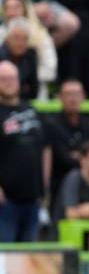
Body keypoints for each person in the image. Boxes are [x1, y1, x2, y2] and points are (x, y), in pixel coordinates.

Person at [0, 61, 50, 242]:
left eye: (12, 78)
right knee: (4, 259)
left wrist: (44, 189)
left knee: (29, 260)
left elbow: (45, 149)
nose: (9, 82)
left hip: (32, 199)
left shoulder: (31, 110)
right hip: (6, 201)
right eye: (3, 78)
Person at [46, 78, 89, 206]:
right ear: (60, 97)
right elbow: (63, 158)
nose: (73, 99)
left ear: (83, 96)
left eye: (76, 94)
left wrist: (78, 156)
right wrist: (87, 158)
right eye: (68, 94)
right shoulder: (51, 124)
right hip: (59, 186)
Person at [0, 0, 57, 98]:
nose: (12, 12)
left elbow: (50, 68)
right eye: (8, 8)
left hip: (34, 92)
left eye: (16, 7)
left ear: (25, 9)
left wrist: (28, 74)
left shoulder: (41, 34)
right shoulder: (1, 34)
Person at [53, 140, 89, 221]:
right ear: (83, 160)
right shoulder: (74, 177)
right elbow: (70, 214)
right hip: (65, 232)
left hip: (88, 230)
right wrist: (85, 210)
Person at [0, 18, 38, 99]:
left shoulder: (30, 54)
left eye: (25, 39)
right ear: (7, 39)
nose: (20, 43)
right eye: (16, 38)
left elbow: (34, 89)